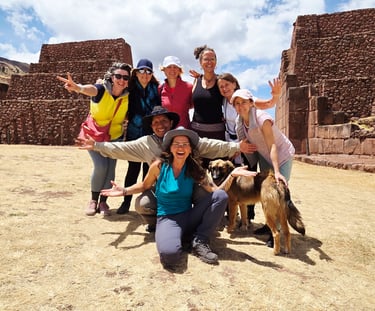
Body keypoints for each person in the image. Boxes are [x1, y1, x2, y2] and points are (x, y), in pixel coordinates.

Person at [76, 106, 257, 229]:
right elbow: (121, 148)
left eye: (163, 121)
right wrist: (98, 146)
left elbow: (209, 145)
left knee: (208, 195)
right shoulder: (145, 143)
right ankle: (159, 224)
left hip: (189, 187)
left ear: (170, 123)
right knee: (143, 204)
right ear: (152, 127)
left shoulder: (183, 138)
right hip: (163, 190)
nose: (160, 125)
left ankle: (198, 224)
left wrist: (236, 147)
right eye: (155, 123)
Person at [100, 126, 256, 269]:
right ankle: (182, 236)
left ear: (190, 149)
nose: (181, 147)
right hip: (168, 218)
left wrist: (231, 176)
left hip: (189, 216)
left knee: (221, 196)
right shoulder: (159, 166)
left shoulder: (195, 169)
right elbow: (144, 185)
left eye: (185, 144)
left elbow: (216, 192)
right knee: (170, 257)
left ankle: (200, 240)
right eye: (176, 144)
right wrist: (124, 190)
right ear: (170, 148)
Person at [57, 62, 131, 216]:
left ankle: (104, 202)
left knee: (111, 169)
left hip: (115, 137)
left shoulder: (127, 96)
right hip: (94, 136)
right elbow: (89, 89)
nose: (122, 80)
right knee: (101, 166)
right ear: (111, 77)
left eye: (125, 77)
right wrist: (78, 87)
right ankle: (93, 200)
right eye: (118, 76)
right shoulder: (101, 89)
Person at [231, 88, 295, 245]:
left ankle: (278, 231)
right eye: (237, 103)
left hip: (281, 154)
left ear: (251, 103)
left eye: (244, 102)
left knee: (278, 192)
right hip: (265, 156)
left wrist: (277, 172)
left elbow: (272, 145)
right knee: (268, 195)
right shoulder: (240, 123)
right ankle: (269, 226)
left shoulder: (261, 118)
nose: (240, 106)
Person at [218, 73, 282, 221]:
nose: (224, 88)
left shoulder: (245, 99)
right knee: (233, 182)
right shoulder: (224, 102)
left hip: (250, 144)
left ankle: (250, 215)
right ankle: (232, 214)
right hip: (235, 142)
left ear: (234, 84)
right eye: (221, 86)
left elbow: (267, 104)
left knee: (251, 179)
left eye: (227, 84)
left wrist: (276, 96)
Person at [117, 59, 161, 215]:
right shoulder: (130, 88)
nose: (145, 74)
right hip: (135, 133)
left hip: (151, 134)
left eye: (148, 71)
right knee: (133, 168)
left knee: (148, 170)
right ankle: (126, 201)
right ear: (136, 72)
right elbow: (112, 90)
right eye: (142, 71)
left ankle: (146, 201)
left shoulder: (156, 89)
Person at [159, 56, 193, 128]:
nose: (172, 70)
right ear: (164, 70)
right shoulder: (159, 89)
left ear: (179, 70)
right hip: (165, 133)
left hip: (184, 133)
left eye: (175, 67)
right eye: (169, 67)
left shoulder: (189, 87)